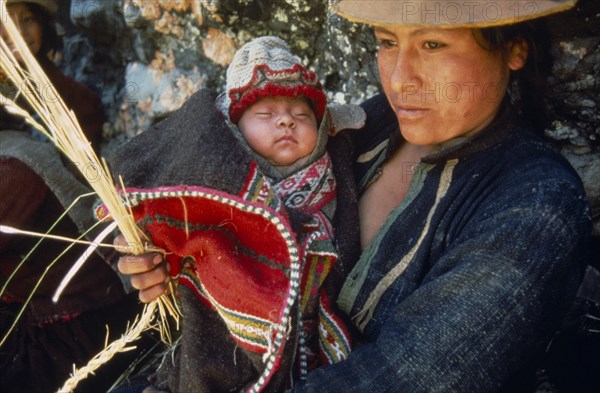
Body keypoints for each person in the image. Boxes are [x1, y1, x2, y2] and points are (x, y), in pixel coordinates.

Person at [116, 1, 592, 392]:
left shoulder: (536, 204)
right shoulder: (366, 125)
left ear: (515, 49)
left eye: (432, 44)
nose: (401, 79)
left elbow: (410, 376)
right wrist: (169, 258)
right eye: (387, 42)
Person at [106, 36, 364, 392]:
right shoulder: (210, 186)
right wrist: (152, 255)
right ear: (235, 129)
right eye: (266, 114)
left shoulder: (337, 176)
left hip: (312, 343)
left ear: (322, 130)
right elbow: (151, 227)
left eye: (301, 115)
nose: (286, 122)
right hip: (226, 339)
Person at [0, 1, 148, 391]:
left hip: (75, 311)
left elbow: (83, 127)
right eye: (4, 22)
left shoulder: (17, 163)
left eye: (26, 18)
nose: (17, 32)